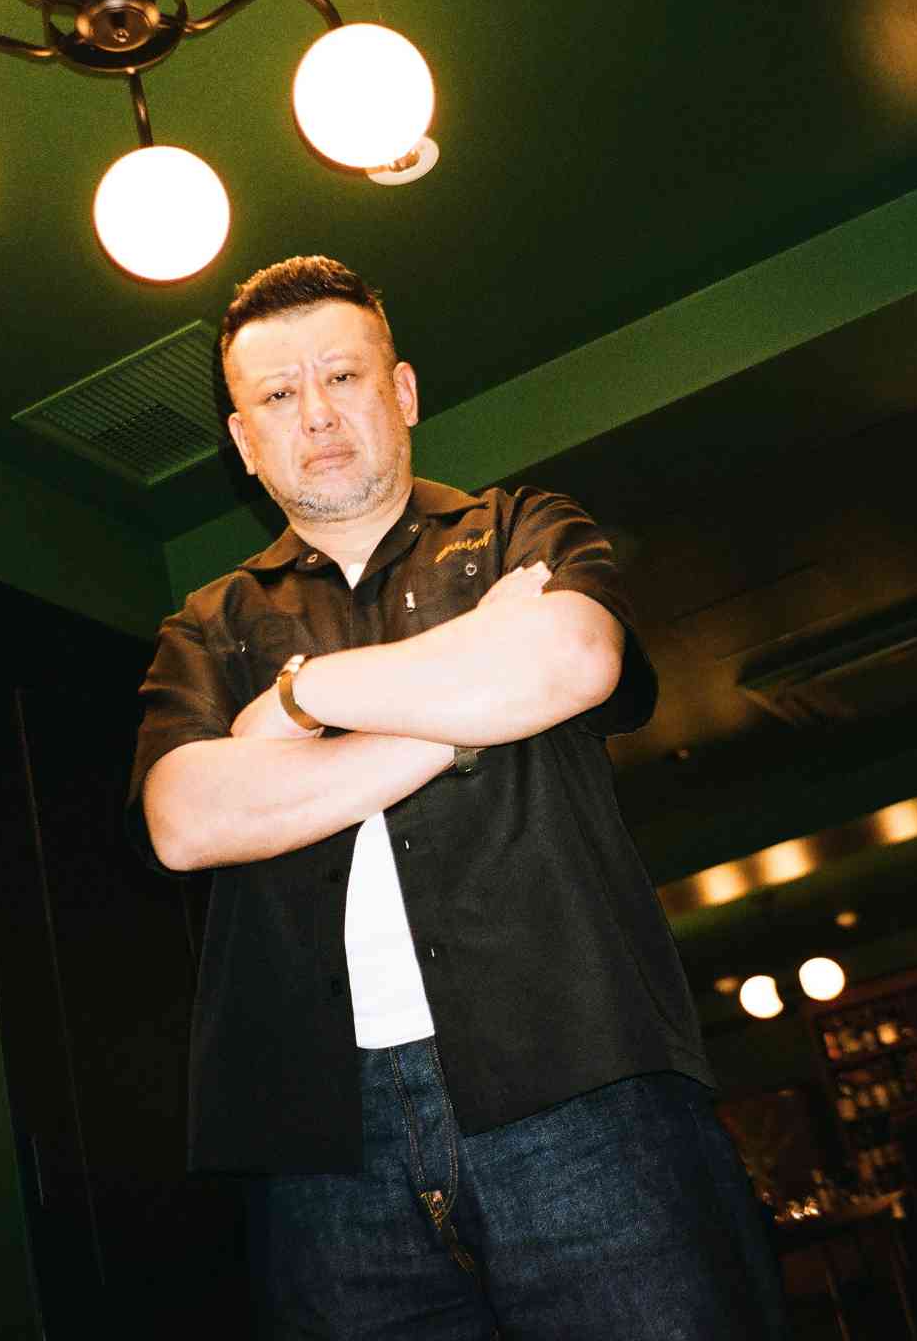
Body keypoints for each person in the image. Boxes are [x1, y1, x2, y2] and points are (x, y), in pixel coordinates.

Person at [127, 256, 788, 1339]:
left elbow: (572, 662)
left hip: (585, 1088)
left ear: (403, 392)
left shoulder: (523, 529)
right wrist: (472, 697)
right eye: (279, 394)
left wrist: (298, 701)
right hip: (319, 1157)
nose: (316, 414)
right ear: (244, 442)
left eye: (343, 376)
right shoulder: (205, 627)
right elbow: (186, 820)